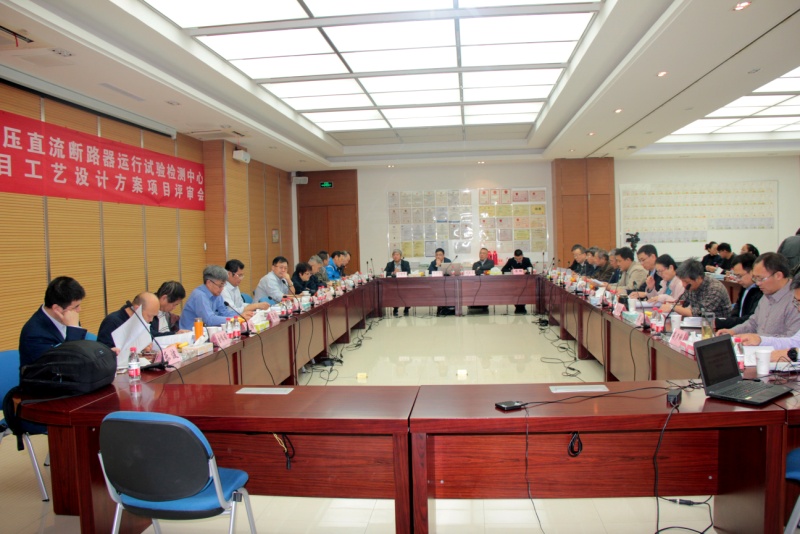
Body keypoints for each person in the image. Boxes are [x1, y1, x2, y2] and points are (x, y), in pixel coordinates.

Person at [717, 253, 800, 338]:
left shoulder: (796, 299)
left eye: (761, 279)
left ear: (778, 275)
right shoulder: (767, 293)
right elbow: (753, 323)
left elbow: (792, 340)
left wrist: (759, 339)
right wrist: (733, 331)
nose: (757, 283)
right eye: (755, 278)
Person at [19, 276, 88, 367]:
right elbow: (66, 365)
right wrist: (74, 329)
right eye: (76, 307)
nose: (79, 310)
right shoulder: (34, 334)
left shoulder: (67, 316)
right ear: (56, 308)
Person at [737, 273, 800, 358]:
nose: (798, 308)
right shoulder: (765, 297)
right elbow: (794, 342)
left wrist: (794, 354)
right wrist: (760, 340)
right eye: (797, 302)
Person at [179, 265, 249, 330]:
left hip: (207, 332)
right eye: (220, 285)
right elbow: (209, 319)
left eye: (223, 285)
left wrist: (239, 316)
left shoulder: (216, 294)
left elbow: (224, 312)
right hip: (190, 334)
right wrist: (234, 319)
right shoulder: (199, 295)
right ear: (209, 283)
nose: (222, 288)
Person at [715, 253, 762, 330]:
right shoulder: (745, 287)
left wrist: (722, 323)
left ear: (752, 272)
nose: (737, 280)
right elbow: (737, 309)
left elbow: (750, 319)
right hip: (738, 329)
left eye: (739, 276)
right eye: (736, 276)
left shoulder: (761, 291)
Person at [385, 248, 411, 316]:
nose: (395, 256)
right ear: (392, 256)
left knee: (407, 292)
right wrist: (393, 272)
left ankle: (406, 308)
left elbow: (408, 272)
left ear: (400, 256)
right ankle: (395, 307)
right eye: (394, 255)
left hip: (404, 283)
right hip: (393, 283)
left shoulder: (406, 263)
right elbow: (385, 273)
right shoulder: (389, 264)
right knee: (394, 292)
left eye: (397, 254)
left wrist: (400, 273)